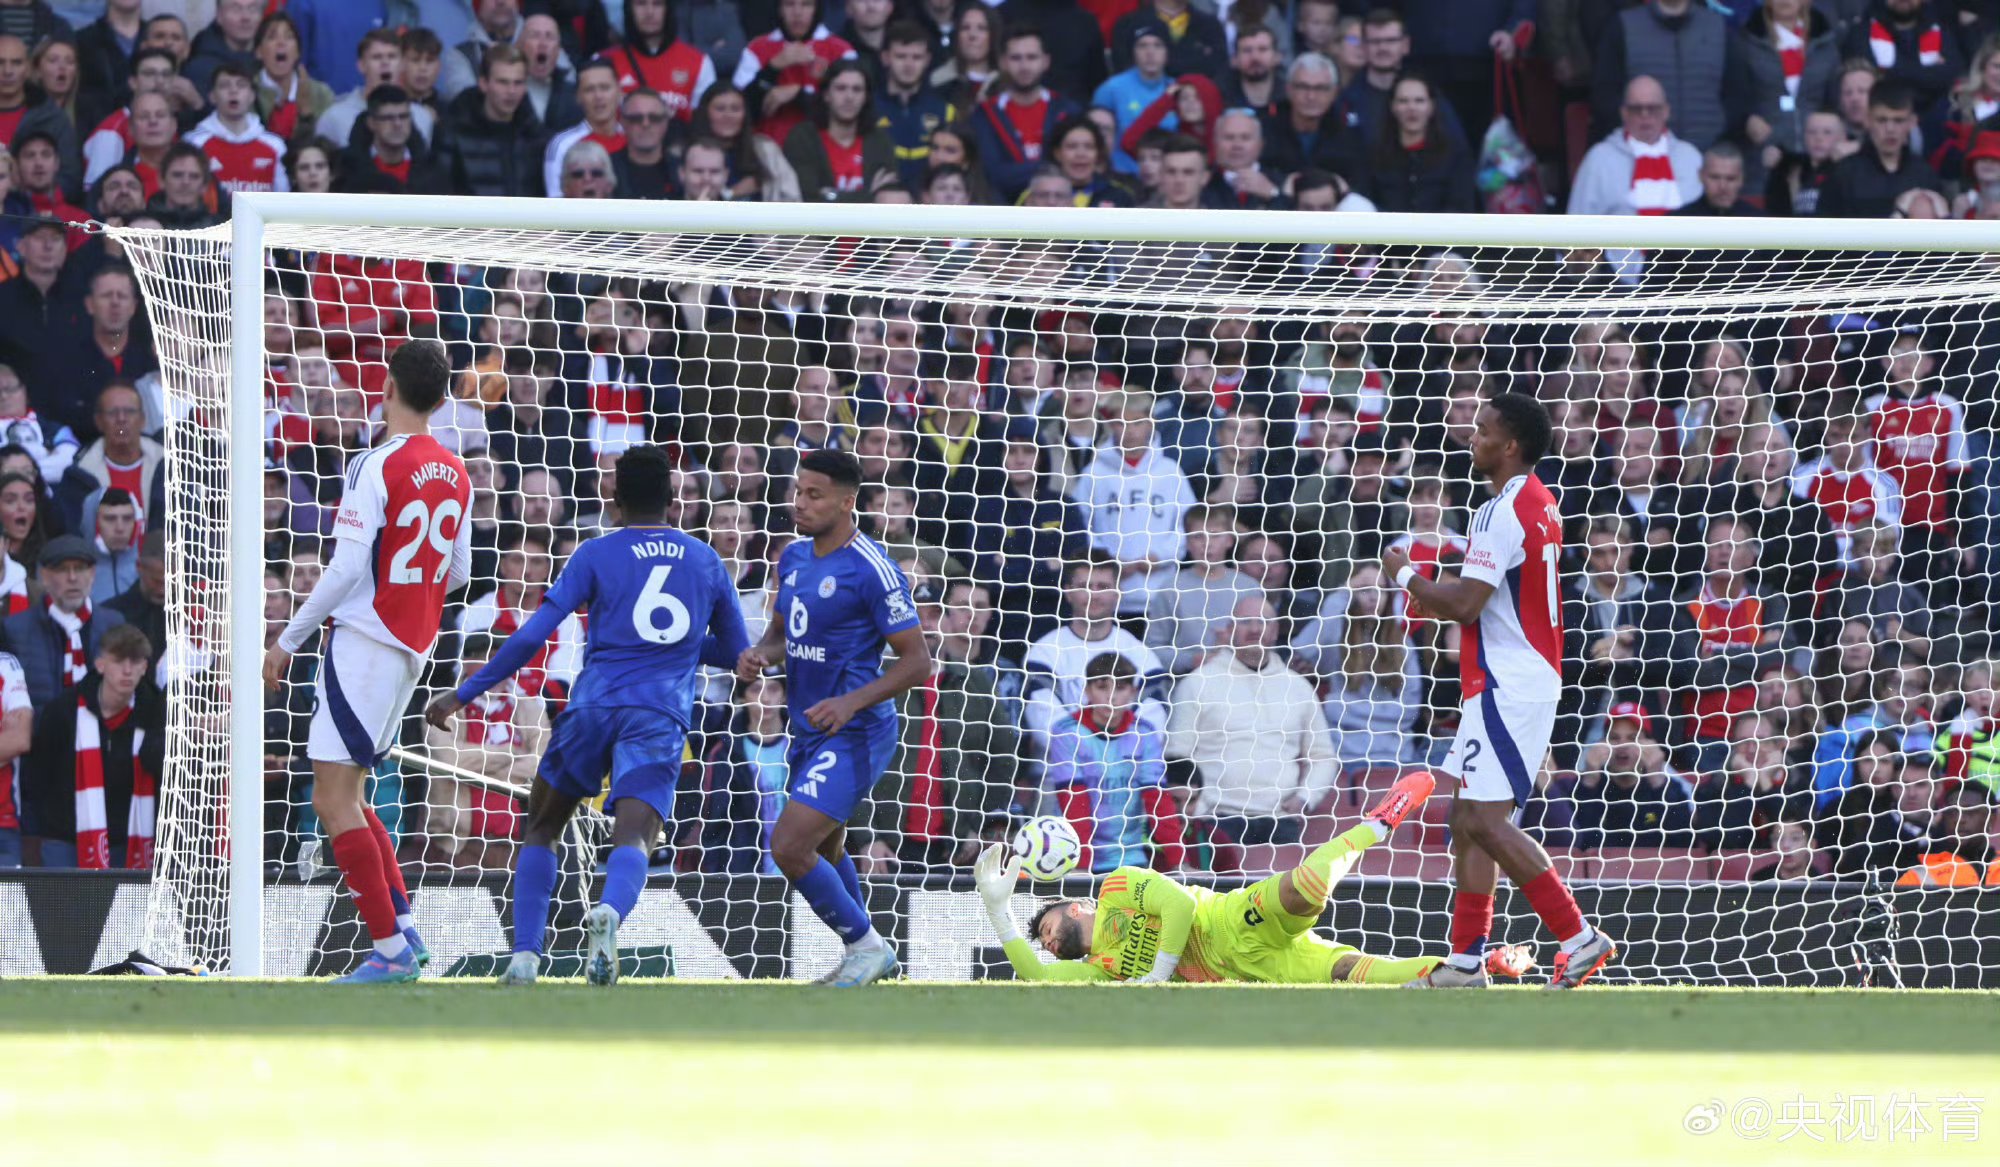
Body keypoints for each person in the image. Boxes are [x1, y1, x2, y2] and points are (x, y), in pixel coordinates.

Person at [427, 445, 749, 984]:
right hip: (657, 715)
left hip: (592, 707)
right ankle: (611, 914)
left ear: (613, 499)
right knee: (635, 838)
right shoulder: (705, 560)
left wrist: (464, 693)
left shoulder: (595, 554)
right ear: (674, 501)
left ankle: (526, 955)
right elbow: (735, 655)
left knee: (544, 825)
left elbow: (532, 634)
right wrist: (697, 648)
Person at [1383, 393, 1617, 989]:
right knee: (1465, 816)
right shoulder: (1540, 502)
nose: (1471, 436)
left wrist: (1405, 574)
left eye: (1483, 429)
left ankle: (1578, 936)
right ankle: (1466, 961)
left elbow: (1464, 605)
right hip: (1509, 679)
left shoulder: (1500, 513)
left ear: (1510, 446)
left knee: (1486, 820)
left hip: (1509, 683)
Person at [262, 340, 470, 985]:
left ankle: (389, 952)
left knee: (330, 798)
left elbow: (349, 565)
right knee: (351, 794)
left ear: (386, 388)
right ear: (440, 401)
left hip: (364, 644)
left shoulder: (373, 464)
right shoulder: (457, 472)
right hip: (411, 649)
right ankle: (402, 928)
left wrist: (288, 638)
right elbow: (459, 570)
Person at [974, 770, 1534, 984]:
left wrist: (1159, 972)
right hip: (1254, 967)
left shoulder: (1116, 886)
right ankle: (1477, 964)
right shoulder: (1102, 969)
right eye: (1043, 943)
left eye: (1043, 925)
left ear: (1074, 908)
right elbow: (1040, 981)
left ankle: (1375, 825)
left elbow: (1179, 905)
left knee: (1302, 888)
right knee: (1364, 977)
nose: (1044, 941)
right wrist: (999, 910)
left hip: (1230, 919)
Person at [733, 448, 931, 987]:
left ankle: (867, 946)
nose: (801, 503)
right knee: (825, 847)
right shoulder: (793, 557)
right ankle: (865, 954)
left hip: (857, 730)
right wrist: (761, 655)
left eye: (814, 495)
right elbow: (781, 635)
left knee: (789, 846)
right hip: (808, 727)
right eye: (798, 492)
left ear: (848, 502)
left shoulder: (873, 569)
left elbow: (918, 663)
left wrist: (850, 702)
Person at [19, 623, 160, 869]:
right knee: (64, 909)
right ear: (100, 664)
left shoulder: (156, 711)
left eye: (135, 661)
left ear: (145, 667)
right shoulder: (63, 710)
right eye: (119, 660)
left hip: (131, 841)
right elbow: (37, 775)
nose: (127, 670)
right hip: (64, 840)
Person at [0, 534, 126, 710]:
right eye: (62, 569)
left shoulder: (114, 624)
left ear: (92, 574)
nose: (72, 578)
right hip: (40, 734)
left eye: (80, 568)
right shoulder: (14, 629)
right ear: (44, 576)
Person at [1568, 74, 1704, 217]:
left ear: (1666, 112)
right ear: (1624, 113)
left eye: (1653, 108)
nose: (1645, 115)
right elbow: (1577, 221)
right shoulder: (1599, 158)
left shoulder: (1690, 157)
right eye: (1636, 109)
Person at [971, 25, 1080, 203]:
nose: (1024, 66)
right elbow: (992, 174)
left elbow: (1075, 171)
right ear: (1003, 62)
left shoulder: (1067, 111)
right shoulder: (984, 115)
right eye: (1016, 58)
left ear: (1046, 61)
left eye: (1031, 57)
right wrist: (1047, 166)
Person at [1818, 80, 1939, 217]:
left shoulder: (1924, 175)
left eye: (1898, 120)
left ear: (1912, 122)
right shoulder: (1844, 174)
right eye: (1882, 120)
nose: (1890, 129)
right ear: (1868, 120)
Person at [184, 63, 289, 194]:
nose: (233, 91)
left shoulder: (275, 145)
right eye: (224, 86)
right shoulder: (194, 143)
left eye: (241, 85)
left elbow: (281, 198)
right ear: (212, 96)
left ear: (252, 96)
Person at [1673, 141, 1760, 216]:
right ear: (1701, 176)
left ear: (1741, 179)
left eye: (1730, 179)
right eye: (1715, 178)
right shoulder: (1678, 223)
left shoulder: (1760, 224)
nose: (1723, 187)